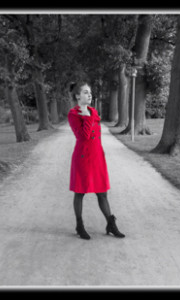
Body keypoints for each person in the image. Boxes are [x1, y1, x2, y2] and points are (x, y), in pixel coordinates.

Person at [68, 81, 125, 240]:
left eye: (90, 92)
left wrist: (89, 114)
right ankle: (79, 226)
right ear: (77, 96)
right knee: (80, 192)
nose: (89, 95)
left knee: (102, 193)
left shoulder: (93, 111)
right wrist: (86, 117)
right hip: (83, 158)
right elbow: (83, 136)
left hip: (97, 157)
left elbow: (97, 130)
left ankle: (111, 224)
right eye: (85, 92)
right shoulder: (73, 114)